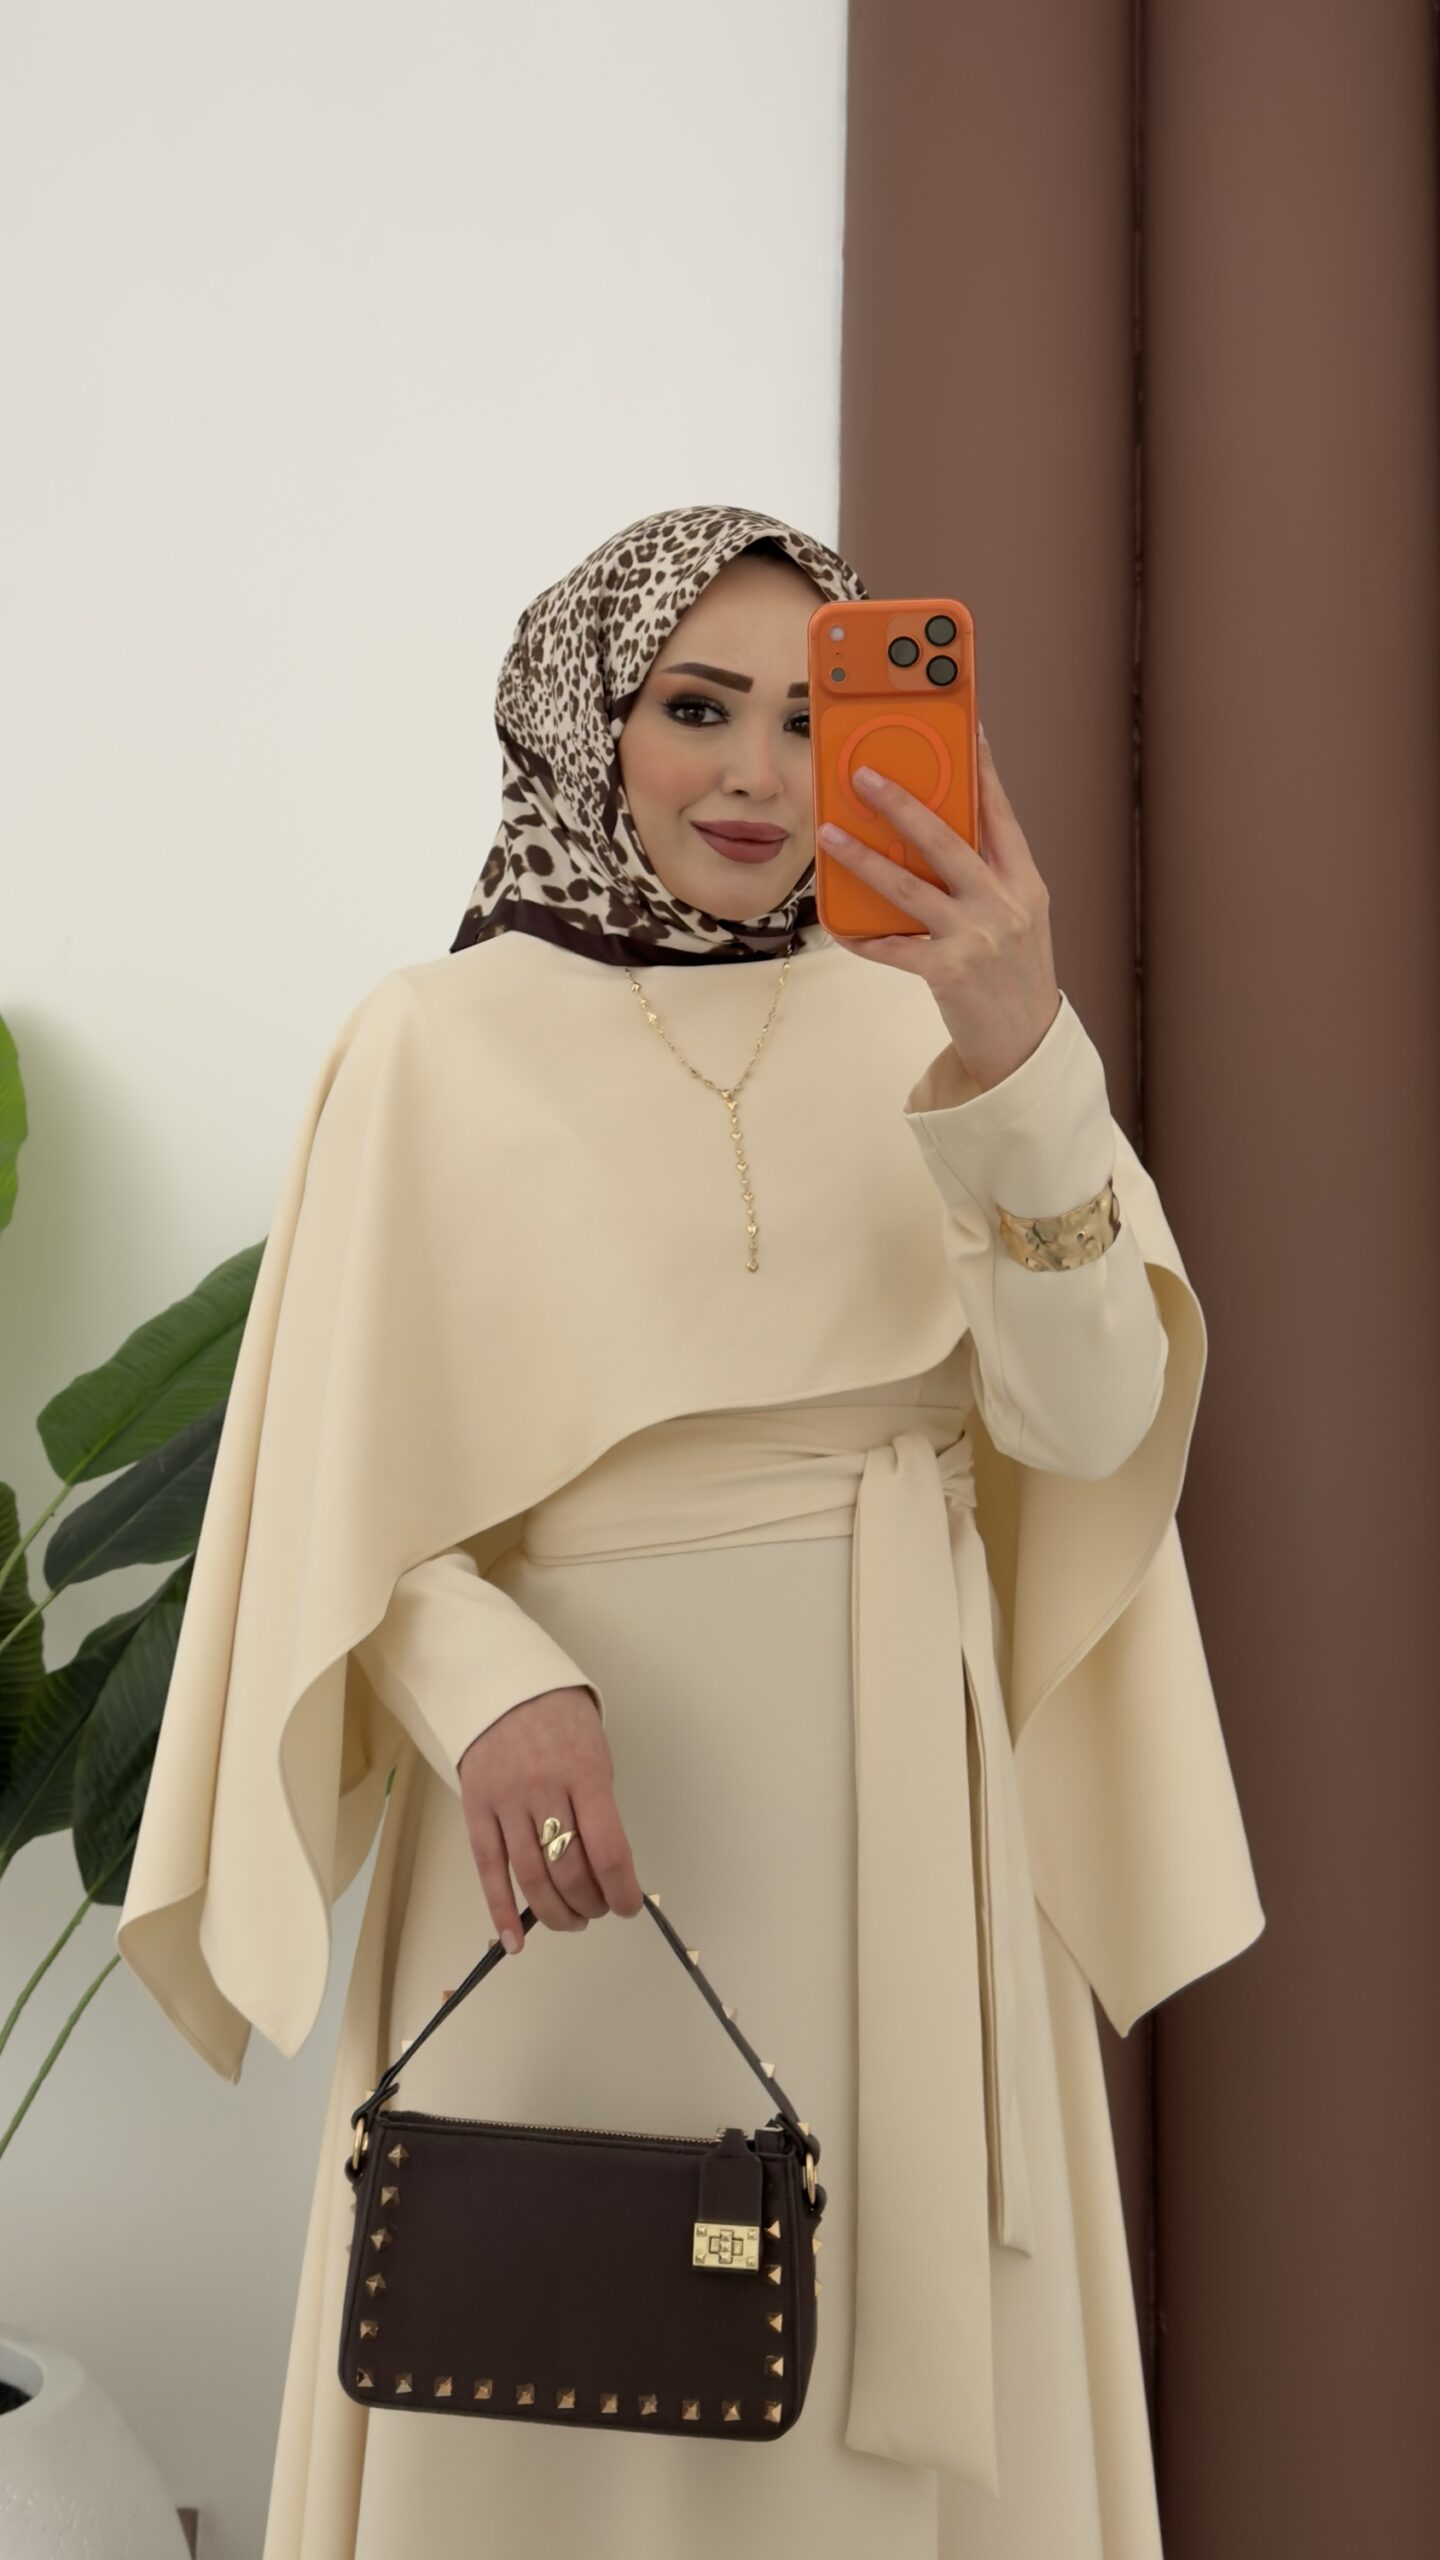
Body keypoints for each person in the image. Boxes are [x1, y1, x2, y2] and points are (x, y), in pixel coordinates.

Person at [116, 502, 1264, 2559]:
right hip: (574, 1838)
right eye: (696, 707)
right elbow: (327, 1481)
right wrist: (484, 1685)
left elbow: (1091, 1426)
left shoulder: (939, 1020)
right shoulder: (429, 1044)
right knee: (553, 2345)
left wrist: (1020, 1056)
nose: (757, 773)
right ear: (591, 721)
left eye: (814, 717)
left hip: (905, 1828)